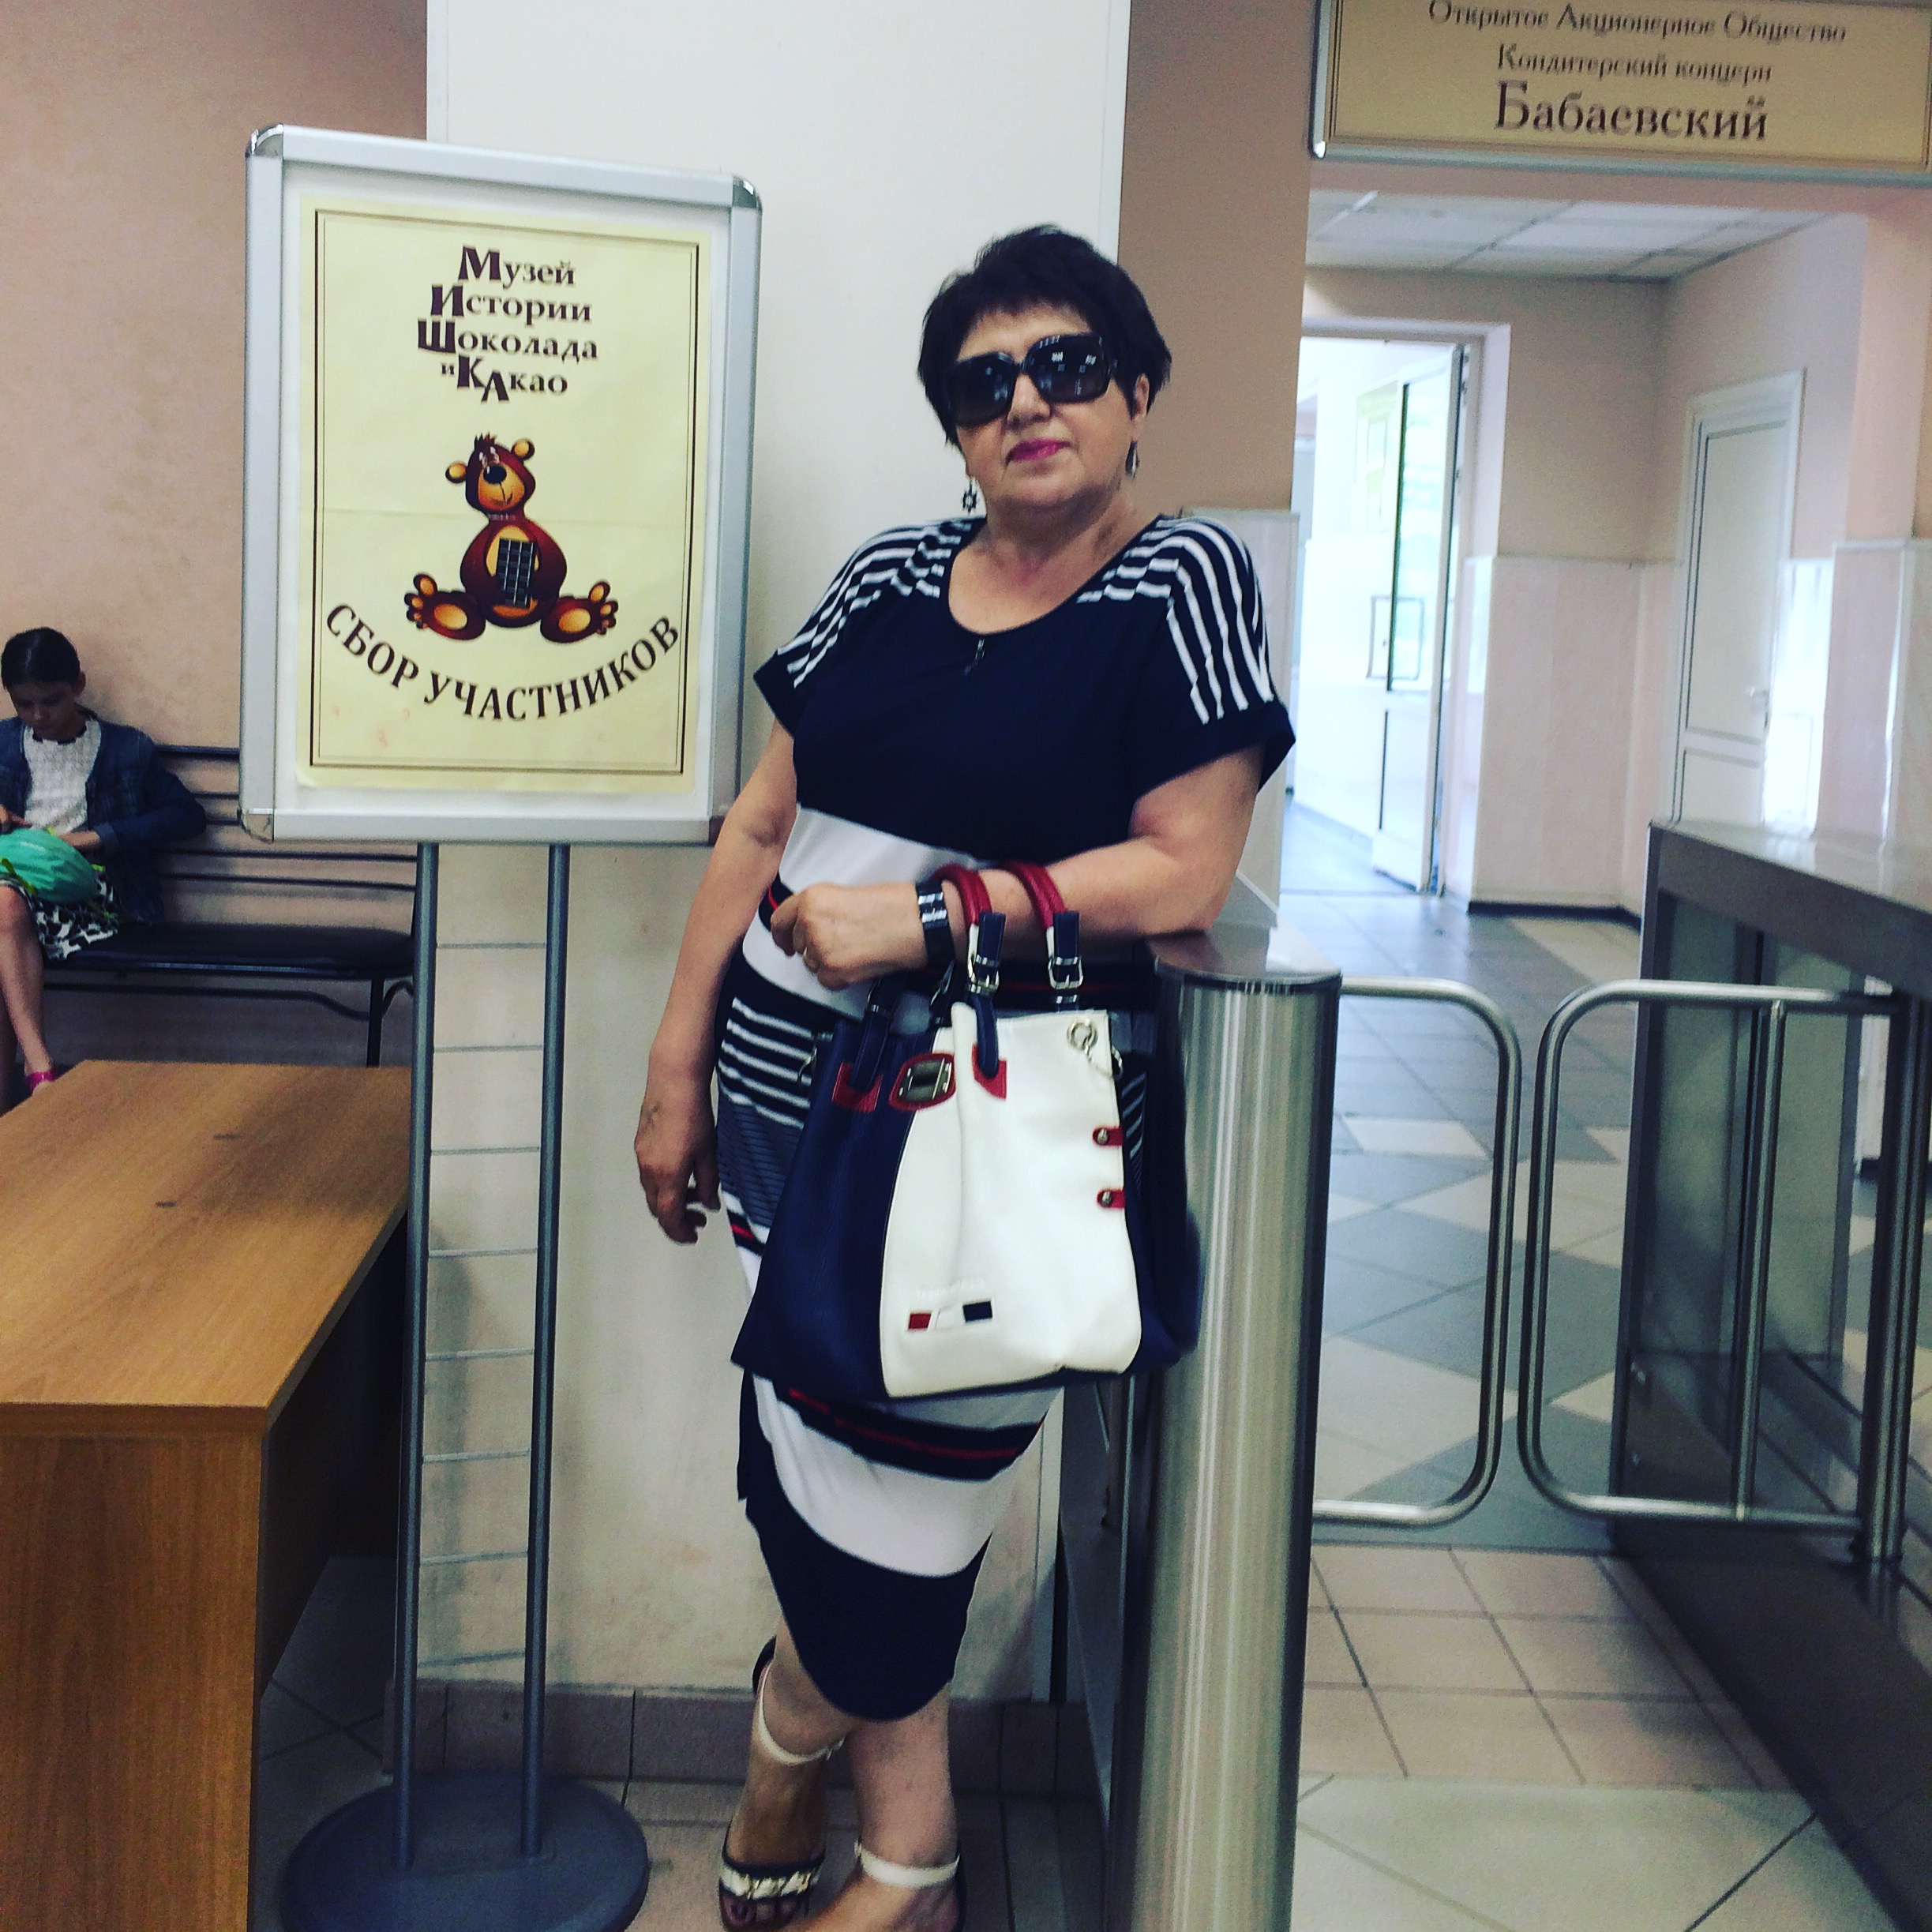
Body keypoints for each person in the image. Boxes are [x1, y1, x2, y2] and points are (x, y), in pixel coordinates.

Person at [634, 227, 1292, 1932]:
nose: (1027, 402)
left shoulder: (1177, 579)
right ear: (952, 424)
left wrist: (932, 918)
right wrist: (674, 1059)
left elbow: (1187, 863)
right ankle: (860, 1807)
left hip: (989, 1132)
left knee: (906, 1489)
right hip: (782, 1101)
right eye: (984, 381)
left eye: (1066, 364)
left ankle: (838, 1783)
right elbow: (760, 823)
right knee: (804, 1438)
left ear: (1133, 390)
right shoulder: (885, 575)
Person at [0, 628, 206, 1101]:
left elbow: (186, 816)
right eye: (24, 704)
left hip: (91, 892)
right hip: (16, 890)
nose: (38, 715)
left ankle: (32, 1080)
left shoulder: (126, 748)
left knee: (4, 906)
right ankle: (36, 1077)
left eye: (51, 701)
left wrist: (96, 837)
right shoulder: (3, 742)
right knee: (6, 907)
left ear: (78, 685)